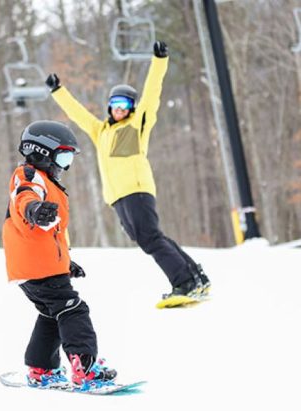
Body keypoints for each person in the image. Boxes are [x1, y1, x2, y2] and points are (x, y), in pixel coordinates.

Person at [44, 41, 210, 300]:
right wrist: (58, 91)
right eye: (115, 104)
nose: (119, 109)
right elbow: (78, 115)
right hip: (117, 197)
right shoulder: (102, 131)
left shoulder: (137, 124)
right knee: (151, 238)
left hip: (136, 190)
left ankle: (185, 282)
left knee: (150, 239)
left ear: (131, 107)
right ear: (109, 106)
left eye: (124, 104)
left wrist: (159, 60)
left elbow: (152, 92)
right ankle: (196, 277)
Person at [2, 120, 117, 388]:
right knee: (74, 309)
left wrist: (66, 262)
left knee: (52, 313)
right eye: (63, 157)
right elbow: (25, 196)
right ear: (43, 152)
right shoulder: (29, 175)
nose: (65, 166)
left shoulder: (47, 181)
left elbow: (50, 235)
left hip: (36, 267)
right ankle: (85, 368)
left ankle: (41, 368)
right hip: (36, 267)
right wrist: (33, 209)